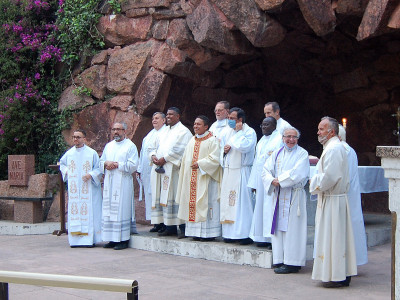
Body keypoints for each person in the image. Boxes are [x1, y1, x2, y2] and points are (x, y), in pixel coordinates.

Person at [310, 117, 357, 287]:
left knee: (335, 238)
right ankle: (339, 273)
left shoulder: (334, 149)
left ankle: (337, 275)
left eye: (321, 129)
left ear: (331, 131)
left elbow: (330, 177)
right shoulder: (331, 147)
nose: (318, 132)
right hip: (332, 199)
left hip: (333, 200)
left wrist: (313, 182)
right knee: (335, 237)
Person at [262, 127, 310, 274]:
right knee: (278, 228)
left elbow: (298, 173)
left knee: (293, 229)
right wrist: (272, 180)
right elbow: (265, 170)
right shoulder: (277, 153)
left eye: (294, 137)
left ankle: (293, 262)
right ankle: (280, 259)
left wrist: (279, 180)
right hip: (278, 194)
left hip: (294, 196)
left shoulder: (302, 153)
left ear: (298, 139)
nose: (290, 140)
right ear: (283, 138)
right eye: (288, 136)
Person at [176, 115, 222, 241]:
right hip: (191, 179)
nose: (195, 126)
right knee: (192, 204)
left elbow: (215, 159)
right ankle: (195, 232)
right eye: (195, 124)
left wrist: (201, 164)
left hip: (206, 179)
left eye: (198, 124)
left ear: (206, 127)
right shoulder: (192, 140)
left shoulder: (212, 140)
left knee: (205, 203)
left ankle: (208, 234)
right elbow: (185, 160)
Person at [149, 107, 192, 238]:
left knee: (176, 197)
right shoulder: (163, 131)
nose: (168, 116)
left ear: (178, 116)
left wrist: (165, 159)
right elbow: (152, 146)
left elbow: (180, 149)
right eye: (167, 114)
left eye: (171, 114)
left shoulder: (183, 131)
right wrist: (153, 156)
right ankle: (170, 227)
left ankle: (183, 228)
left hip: (174, 171)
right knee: (165, 198)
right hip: (162, 170)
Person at [220, 107, 257, 245]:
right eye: (228, 118)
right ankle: (229, 234)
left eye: (232, 119)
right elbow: (221, 148)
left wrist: (238, 132)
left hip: (242, 171)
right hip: (229, 171)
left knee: (242, 204)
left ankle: (244, 234)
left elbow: (244, 147)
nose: (229, 121)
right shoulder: (226, 131)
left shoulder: (249, 132)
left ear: (240, 120)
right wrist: (223, 151)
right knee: (228, 203)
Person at [99, 122, 139, 250]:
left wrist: (117, 164)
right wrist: (106, 163)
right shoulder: (109, 146)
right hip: (110, 181)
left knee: (121, 210)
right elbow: (101, 161)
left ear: (124, 131)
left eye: (118, 129)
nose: (116, 132)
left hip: (123, 182)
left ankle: (123, 240)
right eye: (114, 129)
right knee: (109, 209)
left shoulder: (130, 146)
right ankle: (111, 238)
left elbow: (133, 165)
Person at [60, 129, 102, 248]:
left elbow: (98, 169)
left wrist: (91, 175)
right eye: (74, 137)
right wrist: (68, 171)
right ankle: (75, 240)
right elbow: (62, 165)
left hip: (88, 189)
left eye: (78, 137)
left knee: (89, 212)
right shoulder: (69, 153)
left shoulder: (91, 153)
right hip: (75, 190)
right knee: (75, 211)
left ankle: (89, 240)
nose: (75, 139)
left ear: (84, 138)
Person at [248, 117, 282, 248]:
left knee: (269, 209)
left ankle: (271, 239)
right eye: (262, 124)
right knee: (260, 208)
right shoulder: (262, 140)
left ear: (274, 126)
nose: (264, 127)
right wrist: (254, 183)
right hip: (260, 180)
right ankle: (260, 237)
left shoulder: (279, 139)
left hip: (271, 181)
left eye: (267, 125)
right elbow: (256, 162)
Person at [338, 125, 368, 266]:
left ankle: (348, 262)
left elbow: (342, 175)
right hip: (344, 193)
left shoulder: (344, 150)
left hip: (344, 195)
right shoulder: (343, 149)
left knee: (347, 228)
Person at [137, 112, 167, 232]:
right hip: (147, 171)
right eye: (153, 118)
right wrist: (139, 168)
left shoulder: (165, 133)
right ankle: (155, 222)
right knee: (150, 196)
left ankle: (164, 223)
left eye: (157, 118)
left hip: (159, 170)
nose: (154, 120)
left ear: (164, 121)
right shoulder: (149, 135)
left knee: (160, 195)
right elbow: (143, 152)